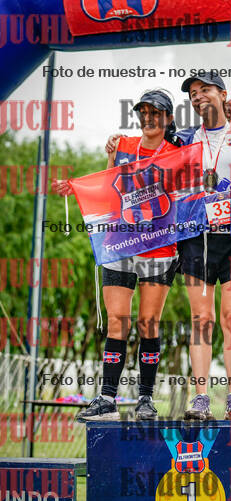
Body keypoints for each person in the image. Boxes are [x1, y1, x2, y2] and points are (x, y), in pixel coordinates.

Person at [107, 74, 231, 420]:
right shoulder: (184, 138)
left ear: (223, 94)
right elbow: (149, 144)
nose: (198, 96)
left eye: (205, 90)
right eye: (193, 93)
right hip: (194, 236)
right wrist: (115, 143)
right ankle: (200, 398)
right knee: (201, 318)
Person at [54, 90, 180, 421]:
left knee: (148, 323)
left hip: (158, 246)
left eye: (156, 113)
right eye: (144, 112)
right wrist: (77, 187)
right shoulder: (122, 144)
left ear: (168, 118)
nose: (148, 118)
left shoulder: (178, 153)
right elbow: (107, 185)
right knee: (116, 321)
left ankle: (146, 399)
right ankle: (107, 397)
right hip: (119, 243)